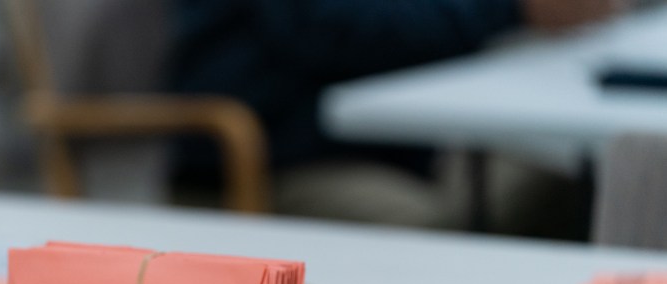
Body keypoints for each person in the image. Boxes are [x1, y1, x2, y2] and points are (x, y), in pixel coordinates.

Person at [169, 0, 629, 233]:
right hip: (263, 160)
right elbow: (329, 29)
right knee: (430, 228)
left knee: (577, 189)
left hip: (396, 151)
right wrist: (512, 7)